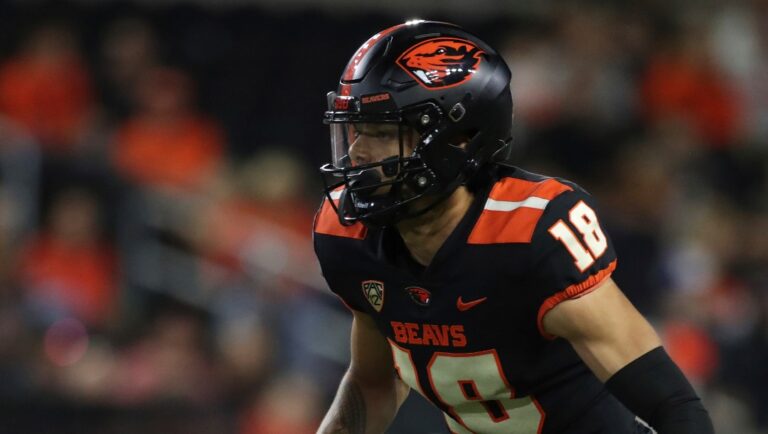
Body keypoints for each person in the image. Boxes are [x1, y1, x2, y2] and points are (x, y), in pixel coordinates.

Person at [313, 20, 714, 434]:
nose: (358, 153)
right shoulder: (352, 238)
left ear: (461, 138)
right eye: (356, 130)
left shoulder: (530, 234)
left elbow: (674, 406)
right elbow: (373, 383)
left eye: (382, 133)